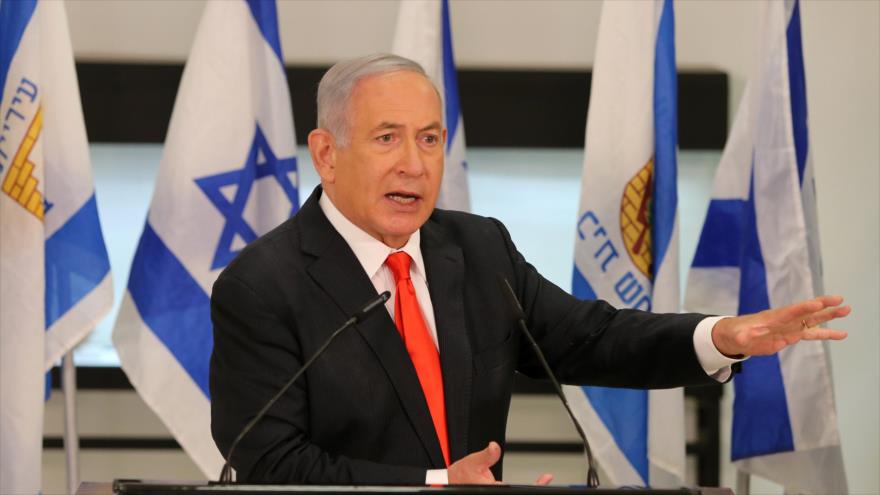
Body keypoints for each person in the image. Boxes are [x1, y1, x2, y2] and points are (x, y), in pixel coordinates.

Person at [209, 54, 849, 485]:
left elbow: (590, 338)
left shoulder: (478, 249)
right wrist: (435, 484)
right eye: (387, 138)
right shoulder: (263, 286)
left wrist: (720, 337)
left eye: (430, 139)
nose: (414, 163)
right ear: (326, 154)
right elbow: (268, 460)